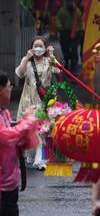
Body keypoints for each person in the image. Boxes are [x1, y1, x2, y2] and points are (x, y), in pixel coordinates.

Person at [0, 72, 38, 216]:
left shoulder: (5, 113)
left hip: (10, 188)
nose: (10, 89)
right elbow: (8, 138)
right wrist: (29, 121)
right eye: (8, 86)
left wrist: (25, 125)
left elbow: (18, 140)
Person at [15, 36, 58, 169]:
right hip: (28, 101)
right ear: (32, 47)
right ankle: (31, 154)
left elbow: (58, 70)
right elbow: (19, 74)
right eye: (36, 45)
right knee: (28, 129)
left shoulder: (48, 61)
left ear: (45, 48)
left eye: (41, 46)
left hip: (44, 100)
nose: (38, 48)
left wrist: (52, 56)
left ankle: (40, 159)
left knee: (41, 129)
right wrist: (26, 58)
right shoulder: (27, 61)